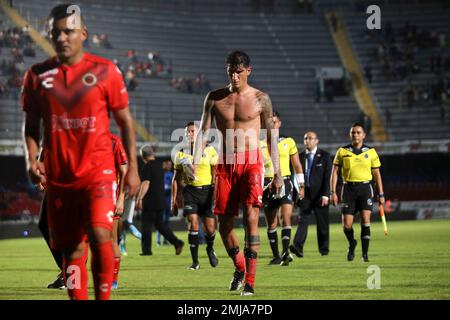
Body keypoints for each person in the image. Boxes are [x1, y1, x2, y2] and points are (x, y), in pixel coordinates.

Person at [22, 4, 140, 300]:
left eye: (68, 31)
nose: (62, 37)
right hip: (61, 178)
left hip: (98, 174)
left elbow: (126, 123)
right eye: (55, 32)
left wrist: (133, 169)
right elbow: (31, 127)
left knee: (102, 235)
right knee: (72, 248)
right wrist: (31, 157)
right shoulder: (36, 76)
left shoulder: (105, 71)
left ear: (83, 34)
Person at [193, 50, 282, 296]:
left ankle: (251, 282)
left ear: (248, 71)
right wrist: (195, 161)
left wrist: (277, 172)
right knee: (223, 227)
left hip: (252, 163)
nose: (234, 75)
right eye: (231, 70)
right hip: (225, 164)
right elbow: (203, 132)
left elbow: (272, 138)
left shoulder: (261, 99)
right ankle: (240, 268)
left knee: (252, 220)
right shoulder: (213, 98)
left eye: (239, 71)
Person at [330, 123, 385, 262]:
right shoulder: (342, 151)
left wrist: (381, 193)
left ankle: (365, 254)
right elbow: (335, 173)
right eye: (353, 132)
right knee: (347, 225)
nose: (355, 135)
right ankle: (352, 243)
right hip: (348, 189)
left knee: (365, 221)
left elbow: (377, 174)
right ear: (350, 135)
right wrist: (333, 192)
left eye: (358, 132)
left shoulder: (371, 152)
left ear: (364, 135)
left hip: (366, 189)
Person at [172, 121, 219, 270]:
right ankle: (195, 262)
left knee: (210, 229)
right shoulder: (180, 154)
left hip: (207, 192)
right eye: (188, 132)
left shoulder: (210, 151)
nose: (191, 134)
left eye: (194, 131)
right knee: (193, 222)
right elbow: (176, 179)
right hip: (190, 192)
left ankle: (210, 248)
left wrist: (216, 193)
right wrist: (174, 200)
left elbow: (216, 175)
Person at [261, 111, 305, 266]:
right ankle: (276, 256)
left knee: (285, 217)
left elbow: (297, 165)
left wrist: (301, 185)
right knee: (271, 223)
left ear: (279, 123)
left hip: (286, 182)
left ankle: (286, 252)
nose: (271, 124)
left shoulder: (288, 141)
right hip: (266, 184)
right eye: (269, 122)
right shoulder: (260, 143)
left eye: (274, 122)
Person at [135, 145, 184, 256]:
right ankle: (177, 242)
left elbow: (146, 183)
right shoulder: (159, 166)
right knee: (160, 225)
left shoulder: (147, 167)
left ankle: (146, 250)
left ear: (143, 156)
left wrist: (139, 198)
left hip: (150, 201)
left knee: (146, 225)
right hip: (161, 201)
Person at [290, 131, 332, 258]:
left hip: (320, 194)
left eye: (310, 138)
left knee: (322, 224)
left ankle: (324, 250)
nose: (307, 141)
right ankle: (297, 247)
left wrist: (326, 194)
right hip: (305, 194)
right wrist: (294, 197)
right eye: (305, 138)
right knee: (303, 220)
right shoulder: (300, 157)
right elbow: (295, 178)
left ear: (317, 141)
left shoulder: (325, 156)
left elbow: (327, 177)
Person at [110, 133, 128, 290]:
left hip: (109, 198)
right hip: (86, 196)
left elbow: (124, 171)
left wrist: (121, 198)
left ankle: (113, 280)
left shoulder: (113, 141)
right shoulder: (83, 137)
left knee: (111, 240)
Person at [157, 159, 173, 246]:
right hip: (162, 201)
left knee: (166, 222)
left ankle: (165, 240)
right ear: (165, 165)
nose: (170, 166)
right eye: (168, 164)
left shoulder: (171, 174)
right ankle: (158, 240)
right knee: (161, 221)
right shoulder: (161, 174)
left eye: (171, 164)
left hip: (168, 201)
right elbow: (163, 187)